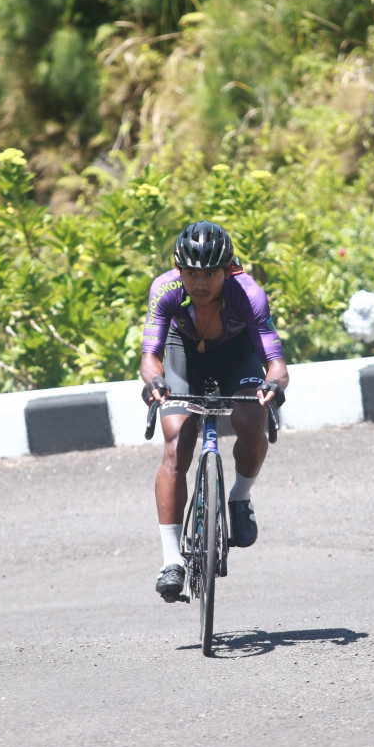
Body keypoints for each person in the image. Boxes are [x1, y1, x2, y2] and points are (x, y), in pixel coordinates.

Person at [140, 220, 290, 602]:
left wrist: (273, 386)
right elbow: (150, 356)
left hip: (236, 355)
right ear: (179, 270)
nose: (200, 283)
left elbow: (276, 365)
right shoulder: (165, 289)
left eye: (210, 274)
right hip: (184, 353)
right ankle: (171, 560)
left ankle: (240, 497)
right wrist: (155, 381)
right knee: (177, 439)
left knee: (251, 420)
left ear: (228, 270)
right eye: (191, 273)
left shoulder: (249, 294)